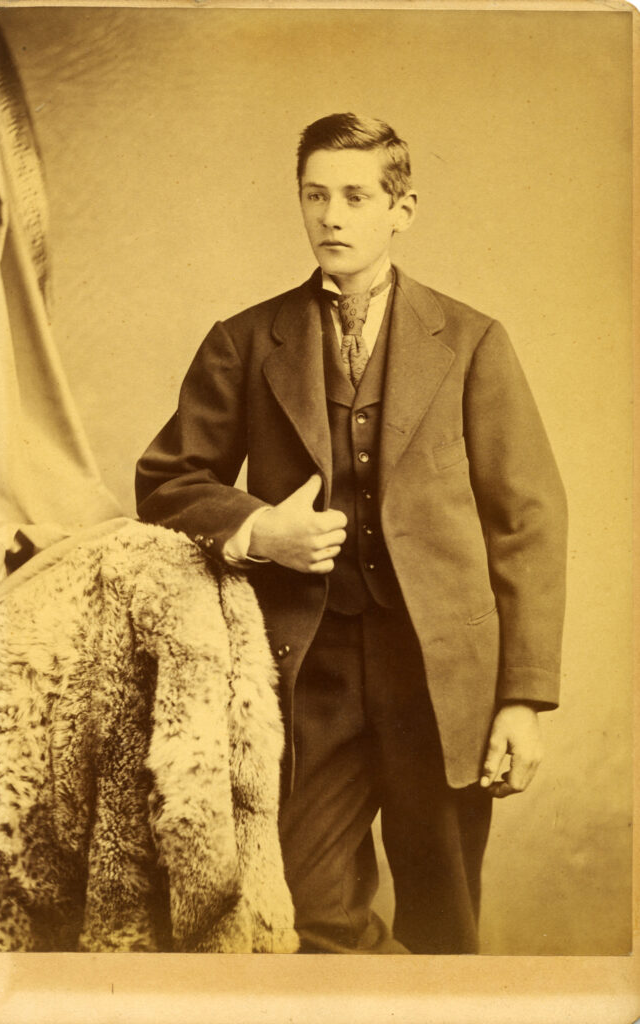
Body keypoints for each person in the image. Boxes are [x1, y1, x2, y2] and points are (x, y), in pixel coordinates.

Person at [135, 113, 568, 954]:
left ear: (401, 209)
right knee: (304, 915)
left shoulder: (471, 341)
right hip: (307, 671)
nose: (331, 216)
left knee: (445, 923)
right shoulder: (245, 340)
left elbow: (527, 521)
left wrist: (521, 698)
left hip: (440, 678)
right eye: (314, 195)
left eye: (355, 197)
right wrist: (262, 530)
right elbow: (167, 481)